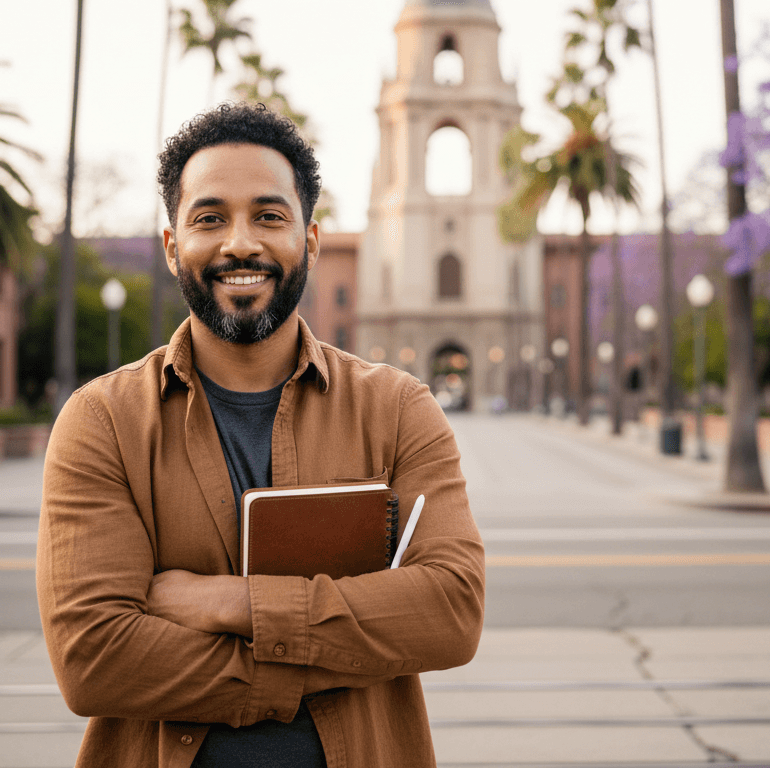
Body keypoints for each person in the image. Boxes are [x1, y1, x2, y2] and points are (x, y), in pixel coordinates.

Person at [36, 102, 485, 768]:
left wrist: (231, 602)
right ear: (171, 247)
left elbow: (450, 611)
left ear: (309, 240)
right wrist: (329, 648)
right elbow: (94, 660)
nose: (240, 242)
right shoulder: (103, 422)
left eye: (269, 216)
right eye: (209, 218)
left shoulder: (398, 409)